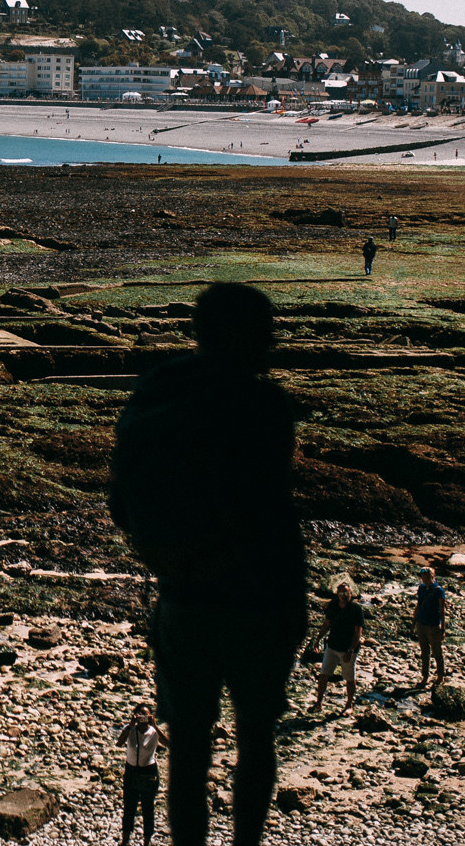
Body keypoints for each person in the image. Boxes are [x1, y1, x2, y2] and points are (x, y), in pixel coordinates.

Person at [111, 282, 305, 846]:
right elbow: (269, 511)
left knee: (190, 748)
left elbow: (121, 503)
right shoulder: (266, 407)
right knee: (256, 736)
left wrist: (171, 558)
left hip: (184, 596)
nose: (271, 344)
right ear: (244, 336)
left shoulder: (158, 392)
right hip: (260, 599)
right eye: (265, 332)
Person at [310, 578, 366, 712]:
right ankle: (318, 703)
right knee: (323, 675)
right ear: (337, 594)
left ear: (351, 594)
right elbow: (327, 624)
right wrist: (318, 639)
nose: (344, 596)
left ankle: (349, 705)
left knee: (349, 678)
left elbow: (358, 632)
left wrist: (351, 650)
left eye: (346, 593)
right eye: (341, 593)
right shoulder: (333, 605)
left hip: (347, 649)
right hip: (332, 646)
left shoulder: (356, 609)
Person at [118, 703, 164, 846]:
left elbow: (168, 743)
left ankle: (147, 840)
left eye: (145, 714)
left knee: (147, 807)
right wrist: (131, 725)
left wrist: (155, 725)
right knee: (129, 807)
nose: (142, 717)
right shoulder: (130, 729)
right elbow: (119, 743)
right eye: (140, 714)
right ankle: (125, 839)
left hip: (148, 772)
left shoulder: (153, 731)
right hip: (131, 770)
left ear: (150, 716)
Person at [414, 567, 448, 690]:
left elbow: (442, 611)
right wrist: (414, 621)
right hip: (421, 623)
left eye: (427, 577)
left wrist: (442, 629)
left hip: (433, 625)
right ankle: (425, 676)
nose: (424, 579)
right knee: (424, 652)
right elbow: (418, 605)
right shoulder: (422, 588)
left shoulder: (439, 591)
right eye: (423, 577)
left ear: (432, 577)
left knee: (437, 652)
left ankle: (440, 676)